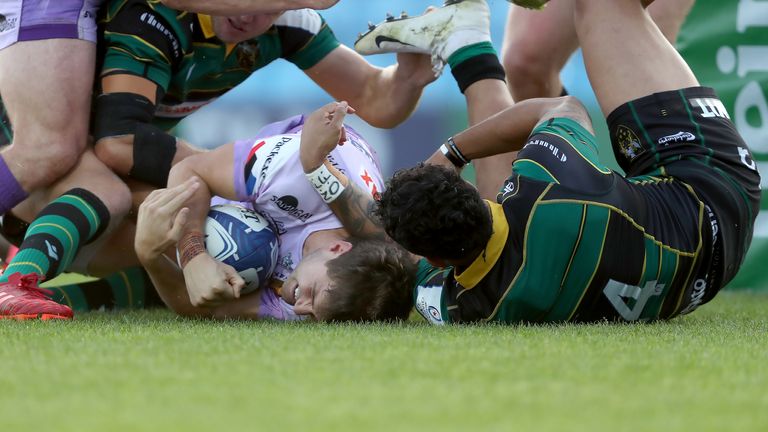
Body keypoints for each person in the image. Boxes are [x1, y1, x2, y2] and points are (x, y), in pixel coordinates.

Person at [353, 0, 761, 324]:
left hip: (701, 273)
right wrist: (453, 153)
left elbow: (399, 266)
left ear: (437, 263)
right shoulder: (547, 187)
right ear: (470, 190)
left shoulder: (469, 307)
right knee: (603, 6)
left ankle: (466, 43)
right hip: (710, 186)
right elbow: (565, 108)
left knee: (526, 66)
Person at [92, 0, 438, 189]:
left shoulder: (290, 23)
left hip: (112, 153)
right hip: (67, 155)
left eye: (268, 5)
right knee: (122, 199)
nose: (248, 14)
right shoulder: (154, 16)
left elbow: (374, 100)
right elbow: (118, 142)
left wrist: (408, 78)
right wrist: (250, 173)